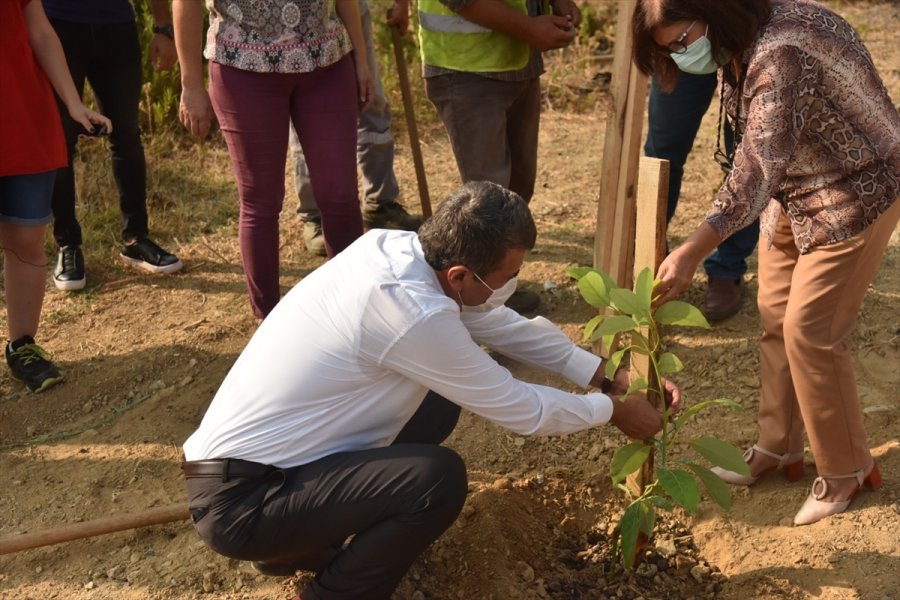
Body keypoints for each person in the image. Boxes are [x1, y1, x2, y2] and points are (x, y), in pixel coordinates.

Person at [181, 181, 680, 599]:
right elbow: (522, 410)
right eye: (507, 276)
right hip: (245, 501)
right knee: (435, 482)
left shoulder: (398, 251)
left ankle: (301, 543)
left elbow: (499, 322)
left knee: (435, 405)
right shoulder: (410, 313)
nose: (512, 285)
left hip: (264, 471)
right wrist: (613, 411)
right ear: (460, 274)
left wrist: (603, 374)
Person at [633, 0, 900, 525]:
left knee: (811, 332)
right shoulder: (741, 39)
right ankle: (779, 446)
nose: (681, 55)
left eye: (680, 42)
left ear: (711, 12)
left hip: (857, 190)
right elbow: (765, 163)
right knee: (775, 317)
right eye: (668, 51)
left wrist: (690, 251)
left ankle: (846, 469)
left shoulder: (781, 50)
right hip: (794, 192)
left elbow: (757, 164)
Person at [173, 0, 374, 319]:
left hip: (327, 61)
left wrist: (361, 59)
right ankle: (268, 320)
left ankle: (355, 314)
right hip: (243, 68)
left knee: (340, 196)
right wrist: (191, 85)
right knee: (261, 202)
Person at [416, 0, 582, 314]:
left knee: (515, 194)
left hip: (518, 64)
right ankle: (477, 307)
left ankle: (495, 292)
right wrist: (528, 28)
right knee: (485, 208)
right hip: (466, 68)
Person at [1, 0, 111, 393]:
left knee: (26, 238)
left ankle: (23, 347)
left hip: (22, 113)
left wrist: (74, 103)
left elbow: (40, 30)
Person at [45, 0, 183, 291]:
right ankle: (68, 245)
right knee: (59, 140)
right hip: (56, 24)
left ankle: (136, 239)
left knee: (126, 136)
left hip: (117, 23)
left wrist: (163, 28)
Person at [292, 0, 422, 257]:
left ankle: (380, 204)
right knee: (307, 120)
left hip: (352, 6)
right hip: (297, 16)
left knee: (371, 100)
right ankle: (314, 214)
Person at [644, 71, 759, 320]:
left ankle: (728, 269)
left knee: (744, 162)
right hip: (683, 51)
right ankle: (651, 263)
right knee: (660, 155)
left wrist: (691, 253)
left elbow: (756, 172)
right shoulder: (677, 41)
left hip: (745, 45)